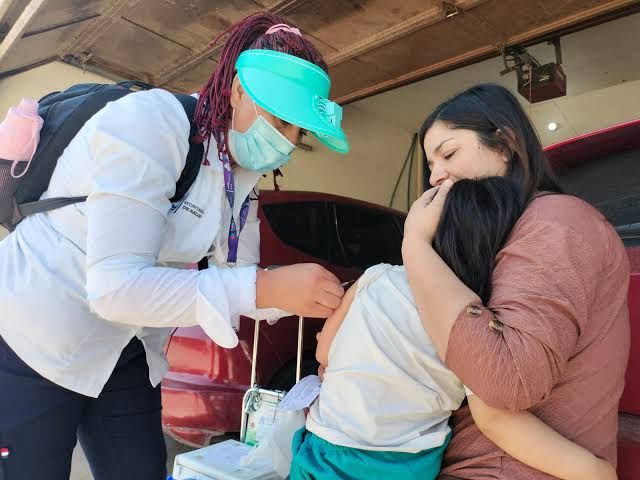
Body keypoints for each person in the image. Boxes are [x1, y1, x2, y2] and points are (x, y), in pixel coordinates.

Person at [0, 12, 348, 480]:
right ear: (238, 91)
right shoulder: (152, 123)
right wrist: (267, 288)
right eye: (281, 121)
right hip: (35, 334)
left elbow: (237, 275)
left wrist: (310, 297)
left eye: (298, 131)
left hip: (124, 347)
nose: (288, 143)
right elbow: (115, 289)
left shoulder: (241, 179)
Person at [289, 177, 617, 480]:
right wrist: (593, 471)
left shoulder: (376, 277)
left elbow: (323, 353)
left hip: (327, 446)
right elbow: (495, 419)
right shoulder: (469, 318)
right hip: (406, 465)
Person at [402, 83, 630, 479]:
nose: (436, 176)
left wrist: (415, 246)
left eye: (449, 154)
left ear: (505, 145)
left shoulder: (556, 222)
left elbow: (508, 379)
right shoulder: (502, 235)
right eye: (430, 165)